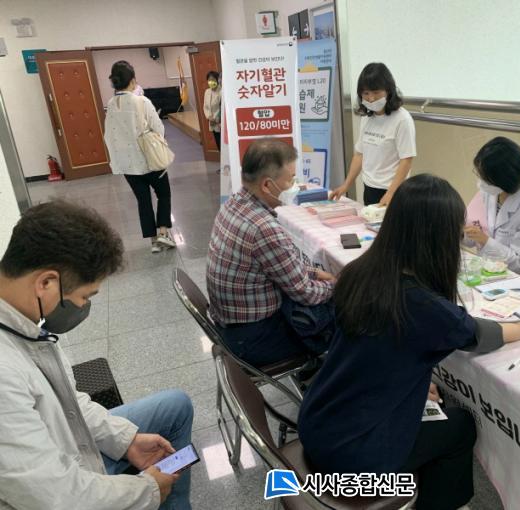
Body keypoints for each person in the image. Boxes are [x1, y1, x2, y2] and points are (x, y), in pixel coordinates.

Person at [298, 174, 520, 510]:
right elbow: (492, 335)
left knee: (438, 405)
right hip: (355, 460)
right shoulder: (425, 306)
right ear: (440, 240)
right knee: (460, 426)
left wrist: (415, 382)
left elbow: (376, 353)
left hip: (317, 424)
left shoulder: (360, 271)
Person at [0, 200, 193, 510]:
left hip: (64, 448)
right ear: (46, 283)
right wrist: (148, 490)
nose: (82, 307)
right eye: (83, 296)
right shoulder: (5, 373)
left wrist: (126, 440)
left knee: (175, 406)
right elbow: (56, 497)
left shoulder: (22, 320)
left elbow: (69, 401)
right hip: (54, 489)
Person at [207, 138, 336, 368]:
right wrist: (338, 285)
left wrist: (315, 273)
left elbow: (279, 266)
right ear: (267, 185)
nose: (294, 186)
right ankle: (334, 379)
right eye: (291, 179)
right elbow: (305, 294)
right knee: (350, 312)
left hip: (231, 327)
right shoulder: (263, 227)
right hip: (253, 340)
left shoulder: (233, 204)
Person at [104, 60, 176, 254]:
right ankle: (163, 233)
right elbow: (158, 128)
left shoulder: (110, 105)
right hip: (150, 159)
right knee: (163, 194)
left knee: (143, 201)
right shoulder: (142, 101)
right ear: (133, 80)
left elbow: (108, 135)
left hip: (128, 165)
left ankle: (153, 241)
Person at [329, 63, 416, 206]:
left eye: (376, 92)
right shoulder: (367, 118)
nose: (371, 98)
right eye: (366, 93)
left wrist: (391, 193)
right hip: (370, 188)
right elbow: (359, 155)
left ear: (388, 90)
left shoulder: (402, 119)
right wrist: (346, 185)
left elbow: (406, 160)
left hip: (393, 190)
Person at [464, 137, 520, 275]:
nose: (481, 181)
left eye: (484, 177)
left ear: (502, 180)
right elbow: (472, 237)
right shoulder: (489, 192)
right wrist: (460, 232)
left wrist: (486, 241)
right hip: (488, 272)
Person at [203, 70, 221, 151]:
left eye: (213, 79)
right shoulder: (207, 91)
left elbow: (222, 107)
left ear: (217, 80)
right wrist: (209, 117)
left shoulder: (221, 91)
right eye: (209, 80)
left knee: (223, 144)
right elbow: (205, 107)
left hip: (220, 122)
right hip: (212, 122)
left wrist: (216, 119)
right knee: (218, 143)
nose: (211, 82)